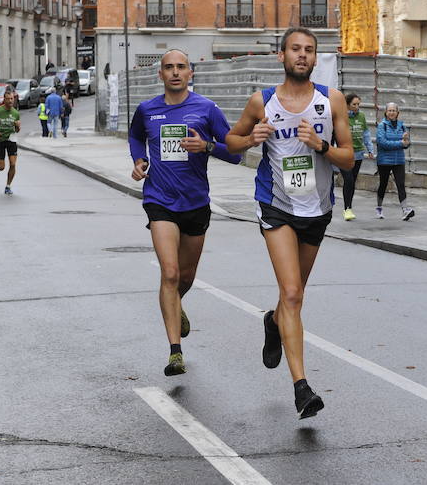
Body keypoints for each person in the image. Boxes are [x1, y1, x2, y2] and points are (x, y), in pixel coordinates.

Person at [226, 27, 353, 419]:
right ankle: (301, 387)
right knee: (293, 293)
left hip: (317, 208)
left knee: (291, 297)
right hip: (276, 204)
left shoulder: (331, 101)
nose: (302, 55)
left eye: (309, 50)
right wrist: (250, 140)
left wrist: (323, 147)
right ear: (281, 56)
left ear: (316, 59)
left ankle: (272, 321)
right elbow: (231, 140)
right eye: (295, 49)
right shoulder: (261, 101)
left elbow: (350, 158)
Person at [128, 49, 241, 377]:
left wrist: (206, 146)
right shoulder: (147, 110)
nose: (175, 72)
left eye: (181, 67)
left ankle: (177, 304)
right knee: (171, 273)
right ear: (160, 74)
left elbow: (234, 153)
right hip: (160, 200)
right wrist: (138, 161)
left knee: (187, 277)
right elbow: (136, 137)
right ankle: (175, 351)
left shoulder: (206, 109)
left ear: (191, 73)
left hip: (195, 203)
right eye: (169, 68)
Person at [375, 102, 414, 221]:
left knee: (401, 184)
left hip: (399, 160)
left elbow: (406, 143)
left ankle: (405, 210)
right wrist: (400, 143)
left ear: (398, 113)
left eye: (394, 110)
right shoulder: (382, 126)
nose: (391, 112)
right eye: (389, 110)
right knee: (383, 184)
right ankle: (379, 208)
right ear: (386, 113)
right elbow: (382, 143)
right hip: (384, 161)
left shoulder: (402, 126)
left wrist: (406, 143)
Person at [341, 93, 374, 220]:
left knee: (352, 182)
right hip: (345, 153)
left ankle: (348, 207)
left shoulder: (361, 116)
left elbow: (365, 133)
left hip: (359, 154)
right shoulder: (342, 117)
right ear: (347, 105)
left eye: (358, 104)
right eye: (354, 104)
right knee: (348, 180)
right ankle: (347, 209)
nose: (356, 107)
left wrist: (370, 149)